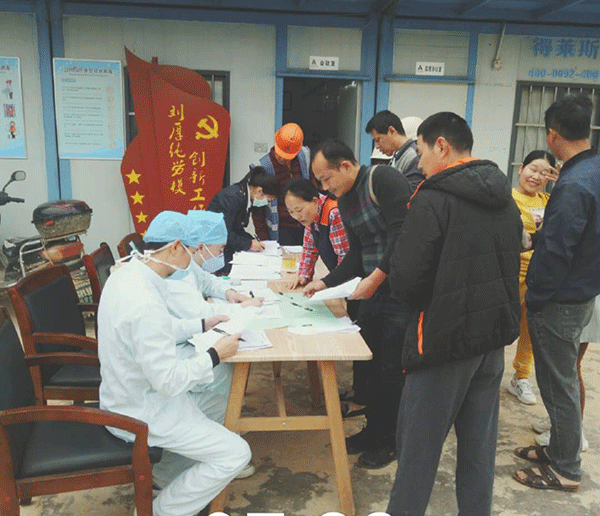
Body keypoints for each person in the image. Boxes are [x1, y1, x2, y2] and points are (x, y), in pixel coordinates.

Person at [386, 112, 522, 516]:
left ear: (441, 146)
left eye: (421, 150)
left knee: (417, 453)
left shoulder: (432, 198)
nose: (419, 161)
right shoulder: (504, 197)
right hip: (490, 342)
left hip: (442, 342)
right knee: (479, 450)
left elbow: (405, 282)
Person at [98, 211, 251, 516]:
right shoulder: (144, 300)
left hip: (126, 392)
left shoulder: (128, 275)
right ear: (177, 247)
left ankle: (170, 477)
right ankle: (161, 511)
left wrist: (202, 324)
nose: (192, 260)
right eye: (192, 251)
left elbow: (158, 329)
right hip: (142, 410)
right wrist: (215, 354)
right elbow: (169, 382)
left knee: (213, 398)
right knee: (235, 454)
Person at [303, 139, 412, 469]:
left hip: (401, 293)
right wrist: (325, 282)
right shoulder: (345, 199)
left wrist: (376, 277)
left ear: (347, 166)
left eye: (326, 179)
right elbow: (356, 253)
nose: (324, 188)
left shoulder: (383, 180)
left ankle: (390, 442)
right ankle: (373, 431)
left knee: (392, 371)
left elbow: (405, 234)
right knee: (370, 369)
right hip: (371, 292)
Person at [514, 93, 600, 492]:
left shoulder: (574, 183)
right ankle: (559, 449)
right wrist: (536, 238)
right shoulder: (592, 170)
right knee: (560, 381)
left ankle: (566, 469)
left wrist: (535, 295)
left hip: (559, 299)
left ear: (552, 135)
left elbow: (558, 250)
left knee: (558, 385)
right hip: (581, 292)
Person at [507, 150, 558, 405]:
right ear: (521, 169)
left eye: (544, 173)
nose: (536, 176)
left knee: (530, 328)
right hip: (510, 273)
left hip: (539, 276)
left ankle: (521, 376)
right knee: (500, 324)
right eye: (533, 169)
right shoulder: (506, 198)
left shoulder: (550, 200)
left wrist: (563, 182)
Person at [250, 122, 316, 246]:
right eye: (280, 154)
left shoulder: (305, 156)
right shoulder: (262, 167)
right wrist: (264, 240)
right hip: (281, 229)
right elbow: (257, 209)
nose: (282, 159)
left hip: (306, 224)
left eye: (287, 156)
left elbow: (313, 187)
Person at [207, 167, 278, 271]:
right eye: (268, 199)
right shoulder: (232, 197)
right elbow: (223, 233)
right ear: (259, 191)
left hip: (223, 245)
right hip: (213, 250)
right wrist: (249, 244)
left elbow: (236, 228)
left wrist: (251, 240)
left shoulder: (243, 196)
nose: (266, 203)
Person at [284, 178, 349, 289]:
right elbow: (309, 248)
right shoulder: (311, 216)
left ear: (314, 201)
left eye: (299, 210)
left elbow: (345, 257)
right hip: (338, 278)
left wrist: (331, 283)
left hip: (355, 280)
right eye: (291, 212)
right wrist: (303, 275)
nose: (297, 216)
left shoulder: (333, 213)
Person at [365, 110, 425, 188]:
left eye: (378, 139)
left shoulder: (412, 156)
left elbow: (413, 193)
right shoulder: (398, 156)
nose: (377, 146)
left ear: (392, 131)